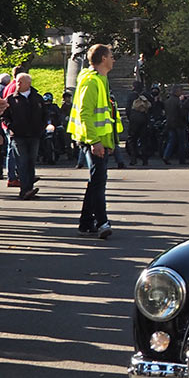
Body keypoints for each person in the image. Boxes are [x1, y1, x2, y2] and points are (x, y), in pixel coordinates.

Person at [69, 43, 120, 239]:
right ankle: (102, 222)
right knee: (99, 183)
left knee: (95, 182)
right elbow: (85, 113)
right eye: (111, 56)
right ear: (103, 59)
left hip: (99, 140)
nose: (114, 59)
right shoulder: (92, 81)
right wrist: (95, 141)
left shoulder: (99, 79)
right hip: (94, 141)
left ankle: (86, 222)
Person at [4, 72, 45, 198]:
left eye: (21, 82)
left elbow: (44, 114)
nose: (18, 84)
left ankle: (29, 189)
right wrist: (11, 127)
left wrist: (41, 128)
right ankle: (24, 190)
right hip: (18, 135)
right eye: (17, 81)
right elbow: (4, 116)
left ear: (29, 83)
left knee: (31, 162)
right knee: (22, 162)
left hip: (34, 135)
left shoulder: (37, 98)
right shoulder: (11, 99)